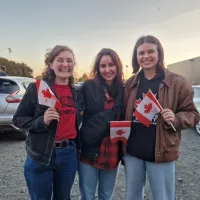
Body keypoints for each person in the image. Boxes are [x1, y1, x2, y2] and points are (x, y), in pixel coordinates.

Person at [123, 35, 200, 200]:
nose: (146, 56)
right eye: (141, 53)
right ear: (136, 57)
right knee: (132, 197)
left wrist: (176, 118)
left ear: (159, 54)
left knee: (163, 197)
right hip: (133, 153)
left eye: (151, 51)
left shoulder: (177, 83)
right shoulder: (131, 83)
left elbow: (193, 114)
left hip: (161, 152)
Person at [13, 45, 84, 200]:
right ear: (51, 64)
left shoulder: (77, 92)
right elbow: (18, 119)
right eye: (60, 60)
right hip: (41, 156)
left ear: (73, 65)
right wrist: (42, 121)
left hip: (68, 155)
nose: (65, 64)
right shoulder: (37, 89)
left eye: (69, 60)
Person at [78, 48, 124, 200]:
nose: (107, 69)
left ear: (117, 66)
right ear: (98, 68)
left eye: (111, 65)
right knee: (87, 195)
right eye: (103, 66)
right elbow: (76, 112)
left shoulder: (124, 90)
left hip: (112, 152)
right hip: (89, 151)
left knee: (106, 195)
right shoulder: (87, 87)